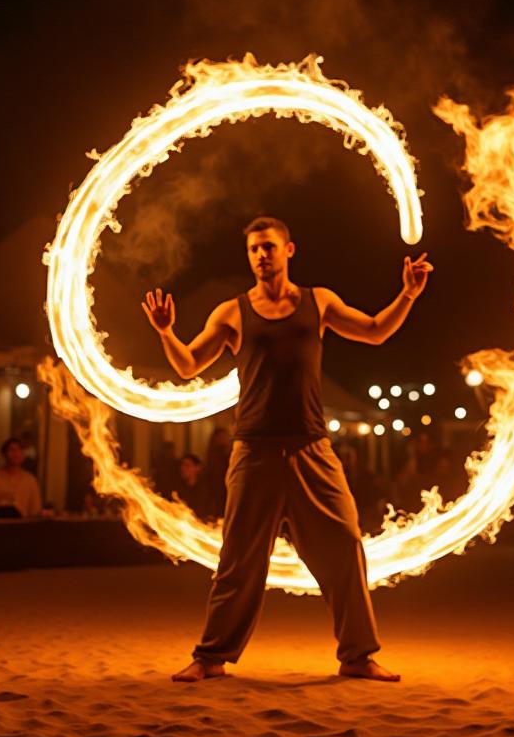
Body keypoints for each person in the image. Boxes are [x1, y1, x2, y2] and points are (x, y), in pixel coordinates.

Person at [143, 216, 432, 683]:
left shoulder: (319, 302)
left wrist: (408, 295)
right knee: (239, 558)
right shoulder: (232, 312)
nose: (261, 255)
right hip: (254, 450)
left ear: (289, 250)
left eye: (269, 247)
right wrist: (166, 332)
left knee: (345, 546)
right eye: (254, 249)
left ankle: (358, 657)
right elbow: (188, 365)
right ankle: (210, 657)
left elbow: (376, 330)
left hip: (311, 447)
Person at [0, 437, 43, 519]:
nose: (16, 453)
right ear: (3, 454)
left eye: (20, 450)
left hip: (21, 526)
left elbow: (36, 510)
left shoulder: (30, 480)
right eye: (12, 450)